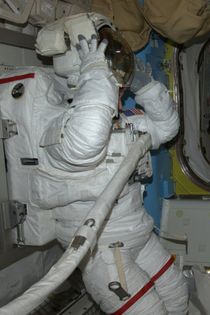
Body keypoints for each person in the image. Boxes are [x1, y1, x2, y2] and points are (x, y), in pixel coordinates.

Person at [0, 13, 188, 314]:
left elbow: (167, 128)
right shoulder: (56, 126)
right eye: (104, 53)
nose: (114, 61)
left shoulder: (116, 123)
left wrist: (145, 85)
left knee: (179, 297)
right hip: (103, 248)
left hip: (137, 233)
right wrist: (97, 73)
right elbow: (85, 143)